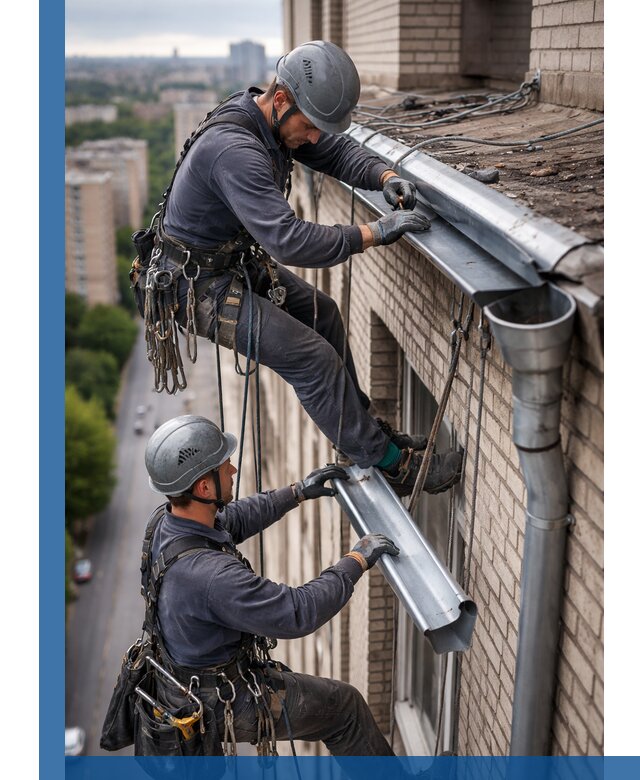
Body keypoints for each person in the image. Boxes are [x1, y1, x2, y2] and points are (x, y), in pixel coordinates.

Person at [138, 40, 462, 498]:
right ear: (282, 99)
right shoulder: (236, 150)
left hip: (227, 263)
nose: (311, 137)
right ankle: (392, 464)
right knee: (310, 359)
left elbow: (332, 151)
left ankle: (363, 435)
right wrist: (374, 232)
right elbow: (289, 240)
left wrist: (385, 177)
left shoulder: (271, 121)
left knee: (322, 313)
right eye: (308, 126)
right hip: (197, 287)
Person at [141, 414, 401, 756]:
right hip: (223, 699)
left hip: (186, 682)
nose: (232, 470)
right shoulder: (210, 577)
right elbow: (297, 612)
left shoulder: (168, 521)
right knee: (344, 709)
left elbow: (231, 520)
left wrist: (296, 492)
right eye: (224, 466)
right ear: (204, 488)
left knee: (338, 705)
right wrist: (356, 560)